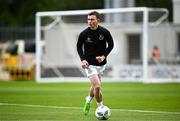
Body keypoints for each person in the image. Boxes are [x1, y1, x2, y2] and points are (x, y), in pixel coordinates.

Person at [76, 11, 114, 115]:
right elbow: (79, 46)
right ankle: (101, 108)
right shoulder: (84, 34)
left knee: (94, 86)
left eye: (92, 19)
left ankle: (88, 100)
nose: (89, 21)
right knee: (97, 86)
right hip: (89, 64)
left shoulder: (105, 32)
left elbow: (111, 45)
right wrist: (82, 60)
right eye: (88, 19)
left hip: (101, 65)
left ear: (98, 20)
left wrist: (104, 56)